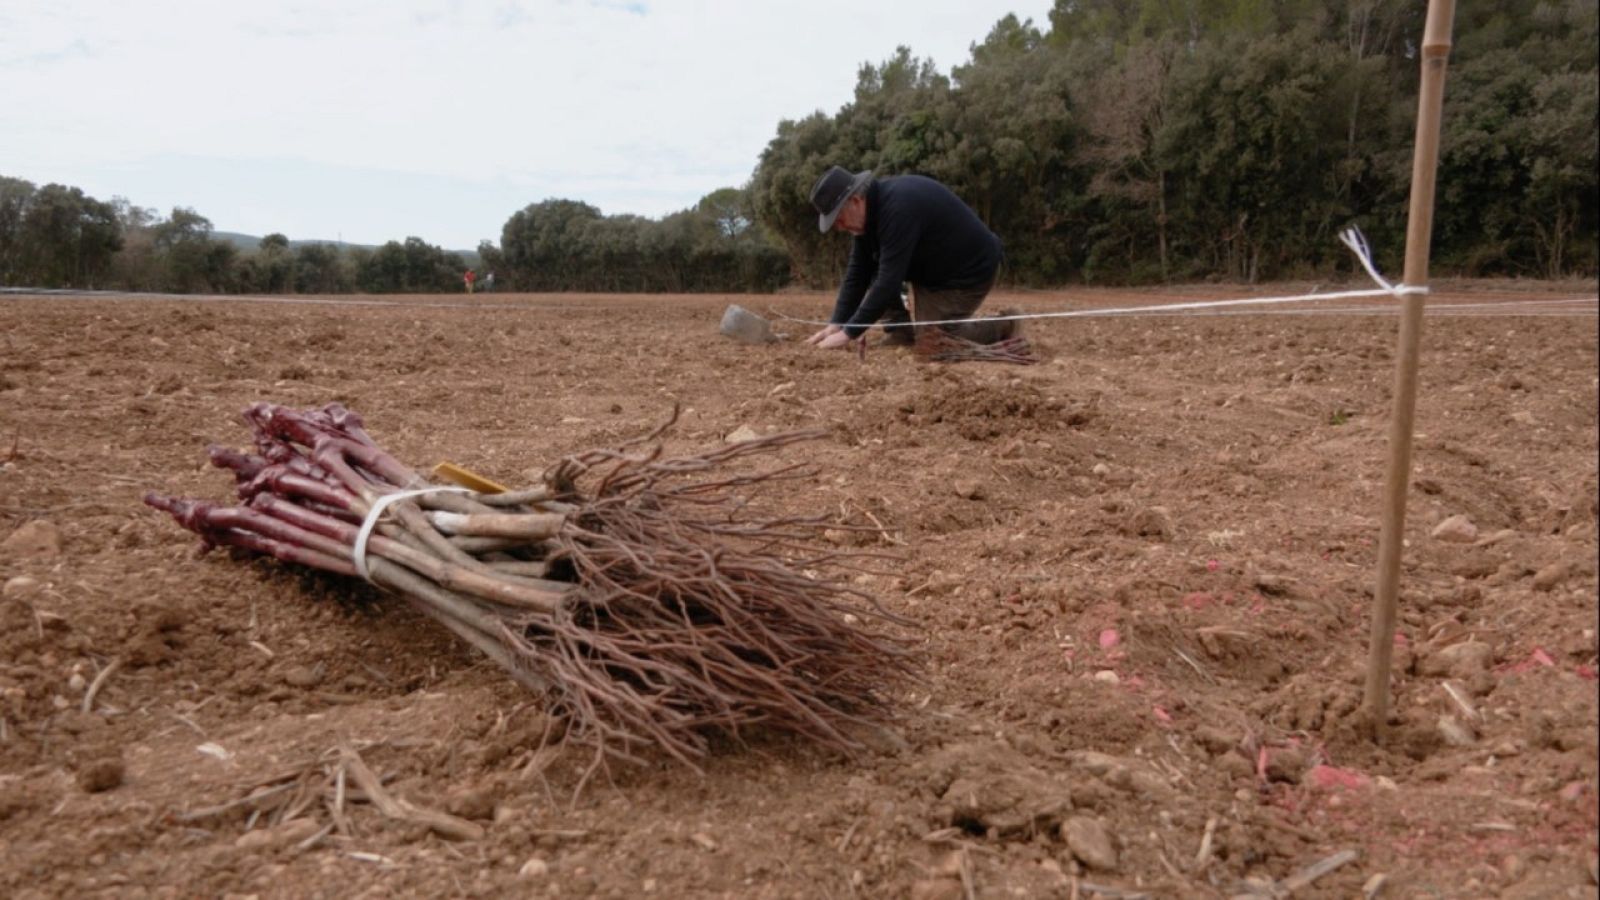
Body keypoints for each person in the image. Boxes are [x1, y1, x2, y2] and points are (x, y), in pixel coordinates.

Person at [804, 166, 1014, 351]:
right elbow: (858, 272)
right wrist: (837, 323)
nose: (840, 228)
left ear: (856, 201)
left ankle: (1005, 324)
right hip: (932, 272)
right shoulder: (867, 219)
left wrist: (848, 333)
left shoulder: (897, 210)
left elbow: (889, 281)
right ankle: (900, 333)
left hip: (967, 272)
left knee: (933, 343)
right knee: (877, 267)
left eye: (839, 220)